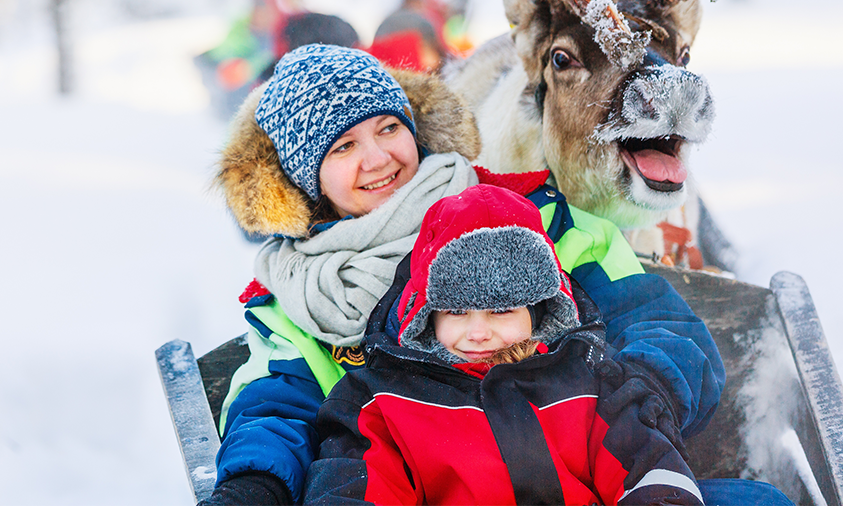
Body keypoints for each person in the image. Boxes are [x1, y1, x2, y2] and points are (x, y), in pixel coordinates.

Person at [201, 43, 726, 505]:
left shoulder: (532, 219)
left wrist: (631, 424)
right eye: (344, 147)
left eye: (388, 128)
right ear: (303, 176)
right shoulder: (295, 304)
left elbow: (660, 326)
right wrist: (255, 484)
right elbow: (273, 411)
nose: (379, 157)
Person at [302, 184, 705, 505]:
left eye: (501, 312)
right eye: (457, 313)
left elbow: (646, 461)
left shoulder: (586, 379)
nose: (478, 332)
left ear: (538, 312)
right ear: (427, 315)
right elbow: (355, 484)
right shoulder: (384, 400)